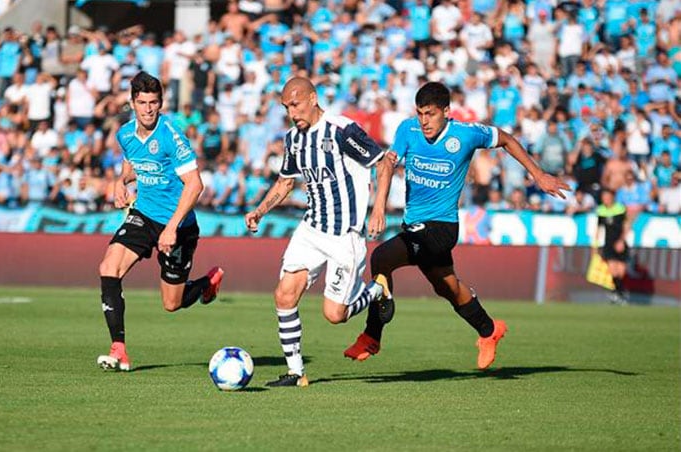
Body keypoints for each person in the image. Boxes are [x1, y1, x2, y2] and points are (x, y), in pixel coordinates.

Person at [344, 82, 570, 369]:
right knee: (448, 288)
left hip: (441, 228)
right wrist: (378, 207)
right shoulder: (407, 130)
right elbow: (387, 164)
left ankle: (371, 335)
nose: (424, 121)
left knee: (381, 257)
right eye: (420, 114)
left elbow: (507, 139)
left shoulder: (466, 134)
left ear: (446, 112)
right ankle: (489, 330)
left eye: (430, 114)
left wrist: (538, 175)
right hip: (414, 226)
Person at [244, 77, 396, 387]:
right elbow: (286, 182)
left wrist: (378, 209)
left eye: (296, 105)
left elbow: (383, 164)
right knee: (284, 294)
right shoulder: (293, 139)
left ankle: (378, 289)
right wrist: (260, 210)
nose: (292, 113)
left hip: (345, 235)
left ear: (313, 99)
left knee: (335, 315)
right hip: (312, 228)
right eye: (287, 107)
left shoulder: (342, 130)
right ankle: (296, 372)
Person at [96, 72, 224, 372]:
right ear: (133, 103)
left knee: (172, 304)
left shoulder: (171, 135)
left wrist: (171, 228)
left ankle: (206, 283)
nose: (148, 109)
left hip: (179, 225)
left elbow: (195, 185)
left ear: (161, 103)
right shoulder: (125, 134)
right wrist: (120, 181)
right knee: (108, 268)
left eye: (154, 102)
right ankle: (119, 350)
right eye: (142, 103)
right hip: (144, 214)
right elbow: (132, 164)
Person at [595, 188, 630, 305]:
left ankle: (617, 293)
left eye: (607, 197)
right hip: (608, 244)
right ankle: (619, 295)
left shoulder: (620, 208)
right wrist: (595, 246)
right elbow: (599, 228)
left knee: (621, 271)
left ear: (612, 198)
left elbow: (626, 226)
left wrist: (621, 241)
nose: (605, 200)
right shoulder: (601, 210)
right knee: (613, 270)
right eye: (603, 198)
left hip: (620, 243)